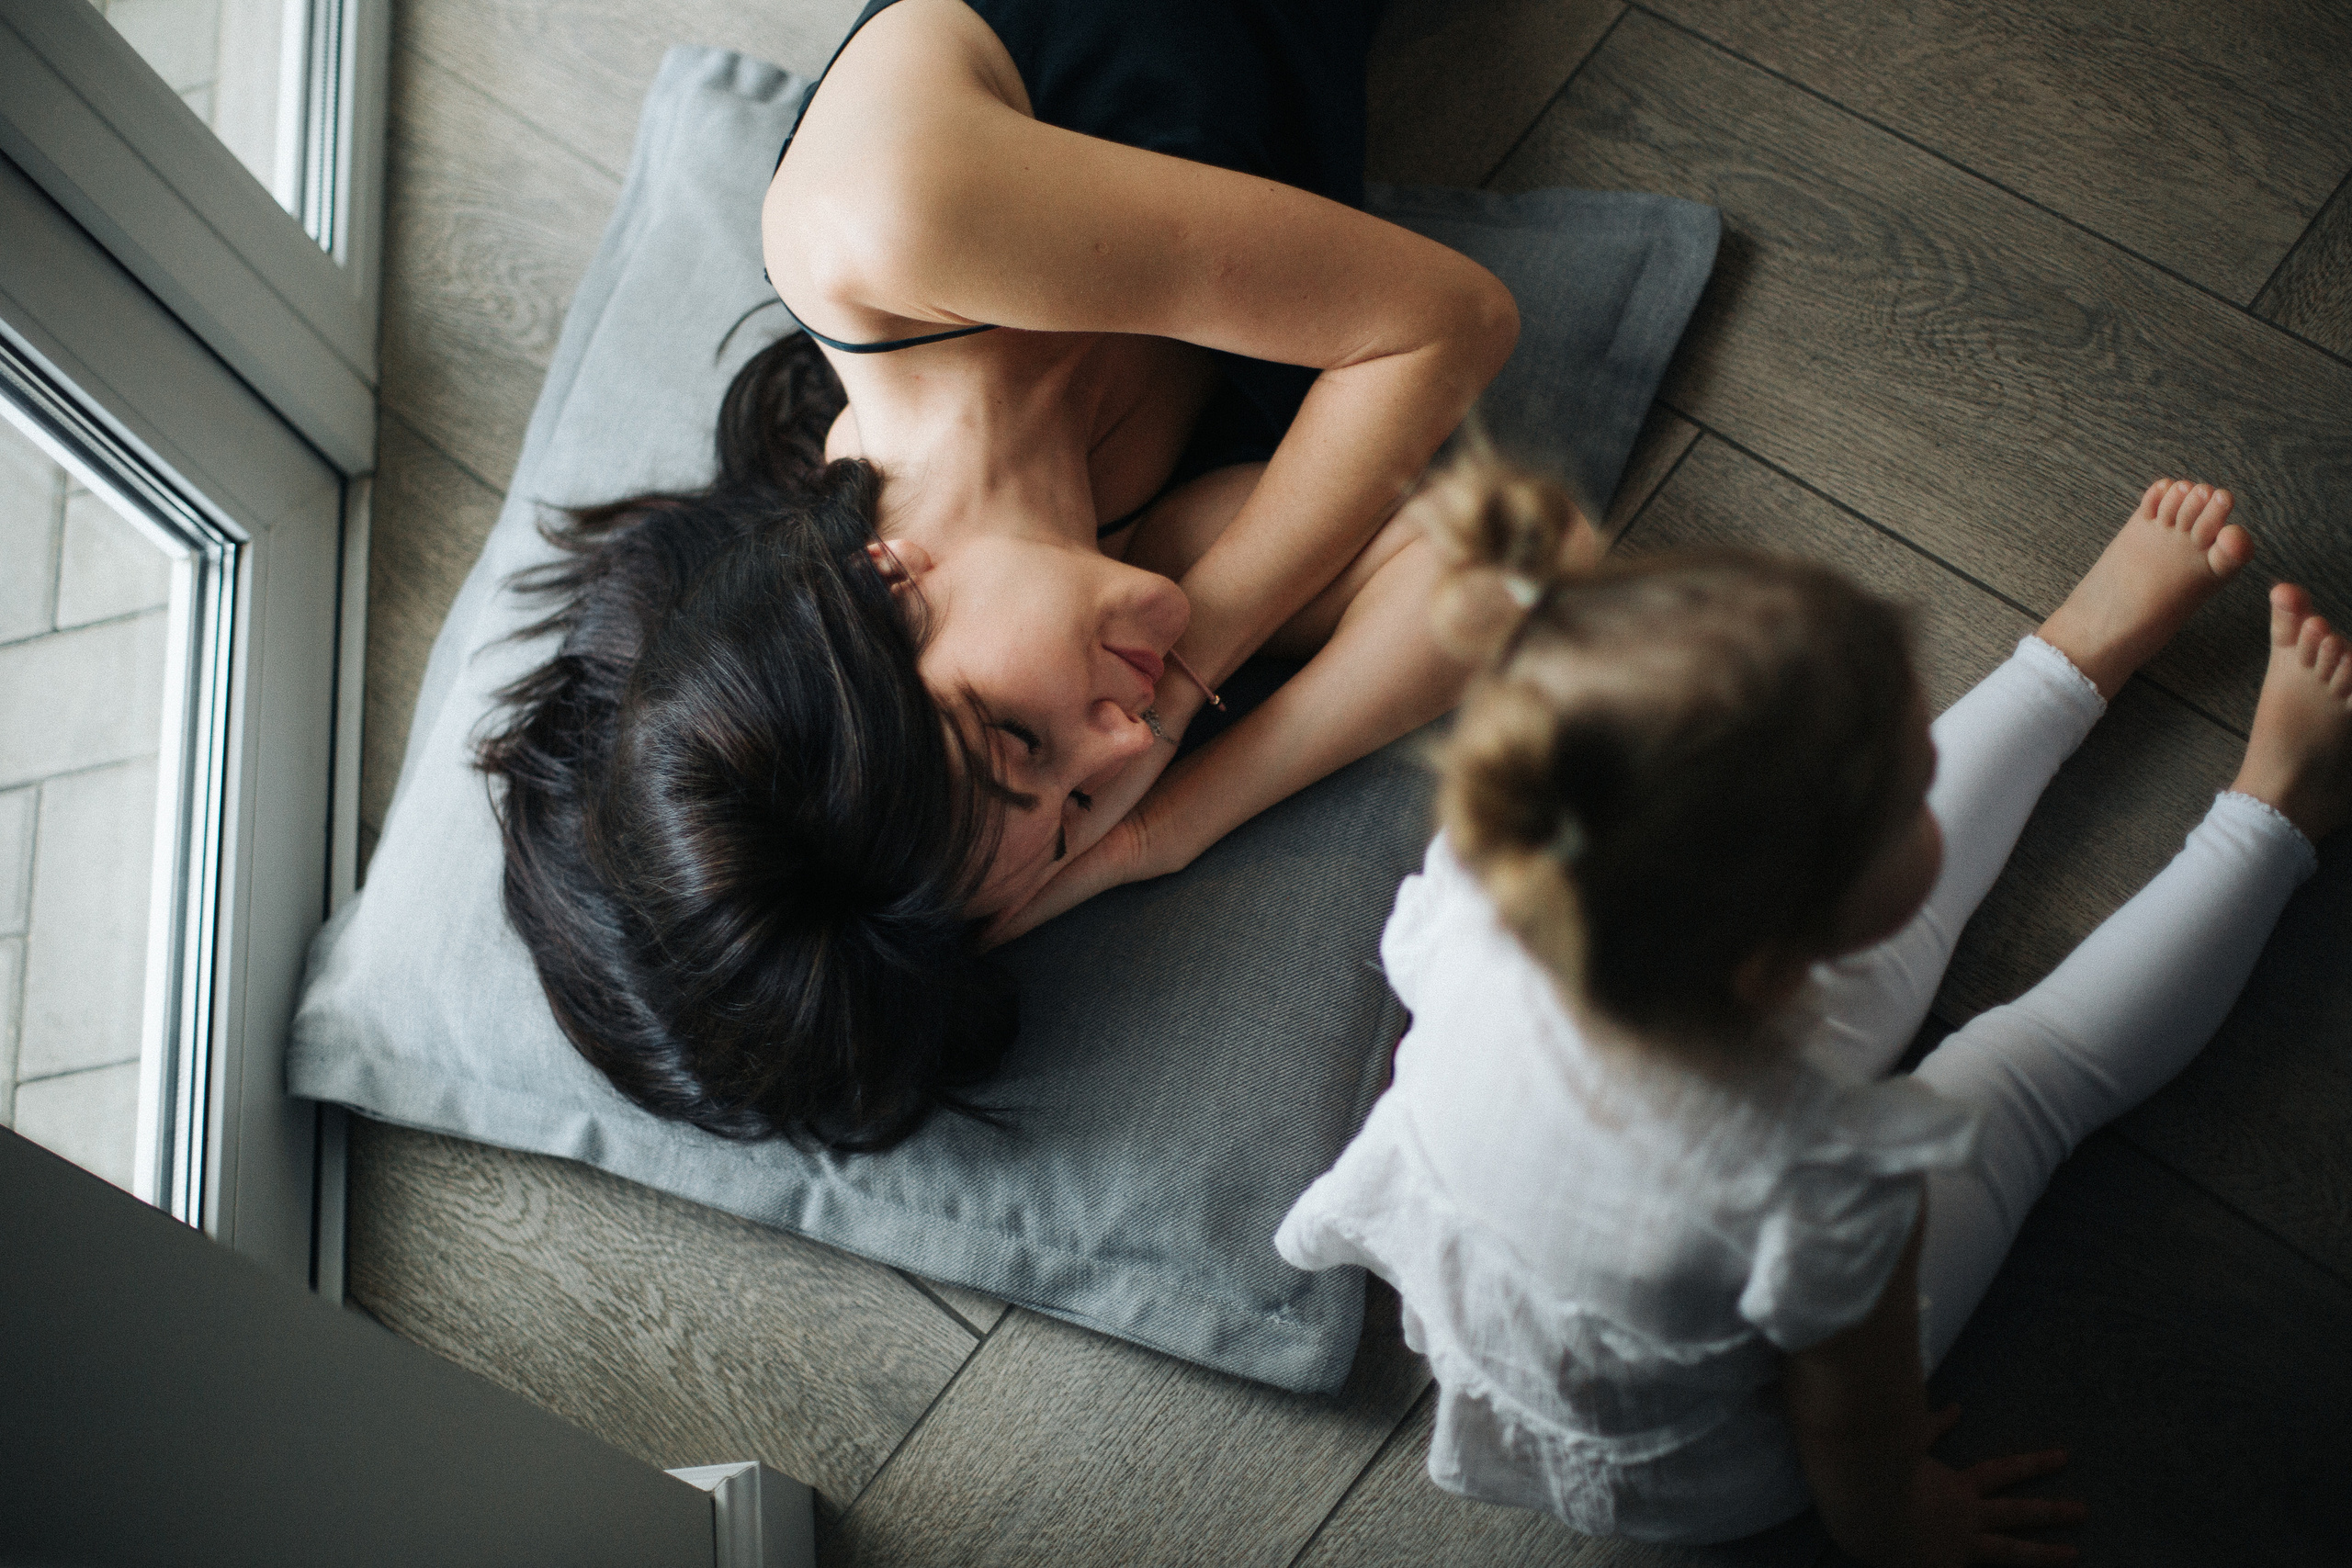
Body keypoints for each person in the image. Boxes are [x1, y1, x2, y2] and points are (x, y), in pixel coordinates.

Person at [480, 0, 1523, 1149]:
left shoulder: (881, 232)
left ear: (882, 585)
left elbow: (1446, 323)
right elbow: (1479, 572)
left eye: (1023, 741)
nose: (1125, 741)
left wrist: (1194, 674)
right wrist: (1149, 838)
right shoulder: (1107, 549)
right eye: (1080, 802)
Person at [1274, 465, 2351, 1562]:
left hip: (1556, 1243)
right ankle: (2277, 810)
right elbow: (1852, 1423)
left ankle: (2070, 656)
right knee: (2025, 1074)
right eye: (1909, 783)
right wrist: (1898, 1522)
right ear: (1782, 948)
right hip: (1716, 1440)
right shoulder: (1817, 1183)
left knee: (1893, 971)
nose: (1928, 754)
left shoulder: (1490, 877)